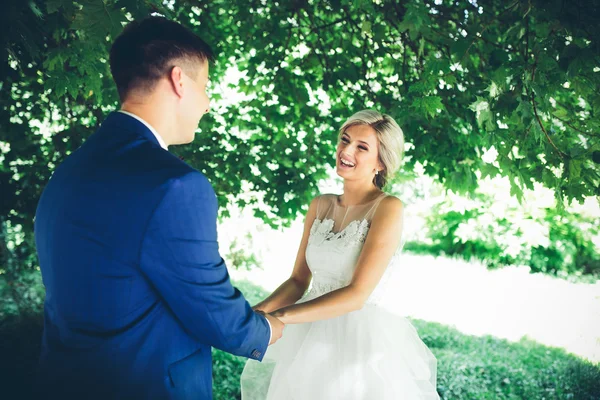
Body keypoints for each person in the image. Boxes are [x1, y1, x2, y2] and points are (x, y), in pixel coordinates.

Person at [34, 16, 284, 399]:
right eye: (205, 86)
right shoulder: (176, 186)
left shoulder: (70, 169)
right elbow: (215, 314)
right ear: (179, 80)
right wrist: (267, 329)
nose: (208, 102)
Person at [240, 110, 439, 399]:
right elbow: (297, 280)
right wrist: (254, 314)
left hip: (354, 340)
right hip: (305, 334)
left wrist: (281, 316)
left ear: (381, 162)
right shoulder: (320, 205)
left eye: (362, 147)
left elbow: (357, 294)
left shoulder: (388, 208)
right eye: (345, 140)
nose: (346, 151)